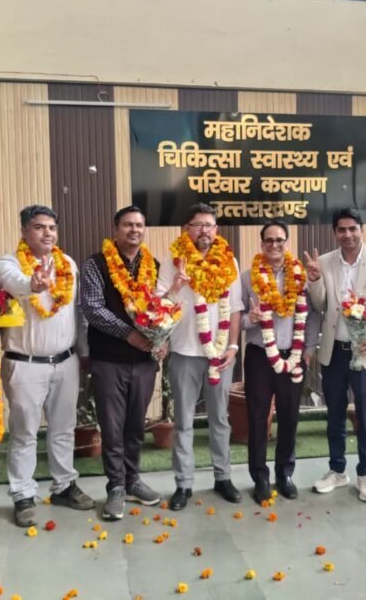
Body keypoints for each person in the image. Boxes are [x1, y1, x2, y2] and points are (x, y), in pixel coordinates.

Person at [0, 205, 93, 529]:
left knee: (64, 429)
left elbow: (77, 312)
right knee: (24, 433)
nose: (47, 233)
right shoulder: (6, 264)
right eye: (39, 227)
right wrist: (33, 285)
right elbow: (14, 283)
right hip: (25, 364)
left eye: (51, 227)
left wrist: (83, 352)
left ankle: (64, 485)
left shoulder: (68, 264)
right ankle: (23, 494)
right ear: (24, 231)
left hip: (66, 360)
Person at [305, 207, 366, 503]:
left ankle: (365, 475)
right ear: (335, 232)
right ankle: (337, 470)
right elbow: (320, 305)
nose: (347, 235)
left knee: (364, 414)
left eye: (352, 229)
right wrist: (314, 280)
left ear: (361, 229)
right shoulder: (324, 261)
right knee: (334, 413)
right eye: (341, 230)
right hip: (334, 351)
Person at [156, 203, 243, 511]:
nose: (204, 230)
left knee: (220, 418)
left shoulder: (229, 260)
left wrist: (232, 347)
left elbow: (235, 308)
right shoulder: (173, 259)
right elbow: (160, 304)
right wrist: (176, 285)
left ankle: (223, 477)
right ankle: (183, 483)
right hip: (184, 353)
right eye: (198, 225)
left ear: (216, 230)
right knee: (183, 422)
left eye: (209, 225)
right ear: (186, 229)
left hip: (220, 354)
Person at [80, 205, 164, 521]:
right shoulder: (96, 264)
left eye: (139, 225)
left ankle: (132, 480)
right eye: (128, 225)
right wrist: (128, 334)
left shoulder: (153, 266)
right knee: (112, 427)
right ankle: (115, 486)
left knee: (135, 425)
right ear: (115, 229)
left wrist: (162, 339)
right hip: (109, 360)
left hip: (143, 362)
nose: (134, 230)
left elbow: (162, 308)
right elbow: (92, 308)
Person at [241, 220, 320, 503]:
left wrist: (308, 351)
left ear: (286, 243)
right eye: (269, 240)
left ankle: (285, 474)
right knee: (257, 417)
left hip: (293, 354)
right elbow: (236, 317)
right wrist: (249, 319)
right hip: (258, 356)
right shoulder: (248, 277)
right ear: (262, 243)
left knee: (289, 416)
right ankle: (260, 477)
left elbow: (313, 315)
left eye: (279, 240)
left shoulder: (301, 276)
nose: (274, 244)